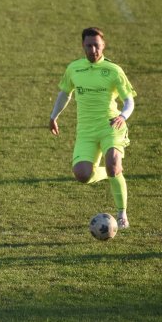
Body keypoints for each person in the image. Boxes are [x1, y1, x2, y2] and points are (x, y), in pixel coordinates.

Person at [49, 27, 137, 229]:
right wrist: (54, 116)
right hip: (86, 131)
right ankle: (111, 172)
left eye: (97, 45)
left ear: (103, 45)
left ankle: (122, 214)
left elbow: (129, 101)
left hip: (111, 126)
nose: (93, 50)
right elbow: (65, 93)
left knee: (113, 163)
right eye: (89, 46)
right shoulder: (74, 68)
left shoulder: (113, 70)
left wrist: (123, 116)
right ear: (83, 46)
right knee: (82, 175)